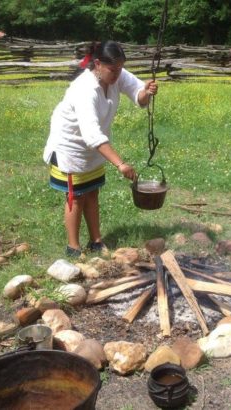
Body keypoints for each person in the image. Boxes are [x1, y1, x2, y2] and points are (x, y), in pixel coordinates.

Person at [43, 41, 158, 257]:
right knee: (75, 196)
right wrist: (121, 164)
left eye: (120, 69)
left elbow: (138, 94)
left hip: (95, 149)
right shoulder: (85, 89)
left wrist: (147, 92)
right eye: (112, 70)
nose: (117, 74)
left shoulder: (117, 74)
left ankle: (96, 241)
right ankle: (73, 247)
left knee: (93, 192)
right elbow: (91, 134)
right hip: (71, 147)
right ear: (98, 64)